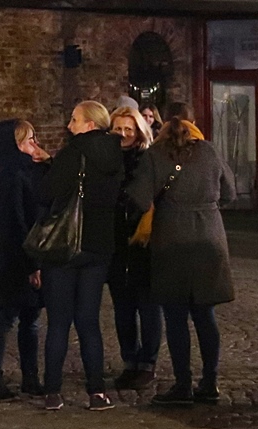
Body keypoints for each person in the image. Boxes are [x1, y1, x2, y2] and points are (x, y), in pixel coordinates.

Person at [126, 102, 235, 406]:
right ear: (192, 123)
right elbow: (230, 193)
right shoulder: (209, 151)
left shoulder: (155, 155)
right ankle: (210, 382)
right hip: (209, 236)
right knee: (205, 315)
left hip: (171, 237)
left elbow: (139, 197)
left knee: (175, 317)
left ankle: (183, 384)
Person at [40, 101, 125, 411]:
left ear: (89, 124)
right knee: (89, 321)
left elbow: (48, 192)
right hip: (99, 246)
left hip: (66, 245)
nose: (69, 125)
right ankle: (97, 392)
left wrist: (48, 167)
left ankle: (52, 391)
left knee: (59, 321)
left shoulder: (73, 152)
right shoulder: (115, 155)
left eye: (74, 120)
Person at [0, 119, 50, 400]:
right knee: (7, 318)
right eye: (28, 139)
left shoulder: (30, 170)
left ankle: (30, 378)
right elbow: (16, 224)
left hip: (28, 255)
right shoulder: (11, 176)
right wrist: (32, 265)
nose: (35, 143)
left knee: (30, 320)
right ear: (15, 144)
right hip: (15, 259)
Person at [107, 106, 161, 391]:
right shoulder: (106, 160)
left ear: (139, 131)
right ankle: (130, 360)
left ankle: (147, 363)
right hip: (115, 242)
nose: (123, 134)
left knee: (148, 306)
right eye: (118, 128)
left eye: (129, 129)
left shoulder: (148, 160)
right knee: (122, 308)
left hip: (144, 241)